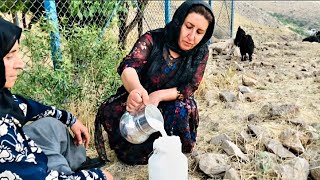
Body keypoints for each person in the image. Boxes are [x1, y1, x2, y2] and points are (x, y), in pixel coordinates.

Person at [95, 0, 215, 165]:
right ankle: (138, 151)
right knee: (111, 111)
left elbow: (190, 87)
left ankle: (169, 150)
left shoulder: (201, 52)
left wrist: (158, 95)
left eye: (199, 32)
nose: (191, 36)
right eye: (188, 26)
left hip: (172, 100)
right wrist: (136, 91)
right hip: (142, 98)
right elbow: (129, 67)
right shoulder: (153, 39)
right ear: (179, 21)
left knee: (180, 110)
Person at [0, 18, 113, 179]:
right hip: (28, 173)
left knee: (51, 125)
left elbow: (27, 107)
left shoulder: (3, 99)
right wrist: (99, 177)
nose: (21, 64)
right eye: (9, 57)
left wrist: (70, 119)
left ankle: (73, 165)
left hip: (29, 162)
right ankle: (67, 172)